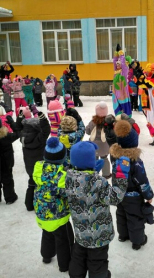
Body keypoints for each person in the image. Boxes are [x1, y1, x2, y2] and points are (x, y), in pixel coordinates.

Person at [66, 140, 130, 278]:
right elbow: (115, 198)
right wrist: (121, 176)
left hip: (80, 231)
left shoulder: (67, 178)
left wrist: (91, 170)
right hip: (99, 235)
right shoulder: (98, 182)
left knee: (78, 257)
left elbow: (81, 181)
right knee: (97, 262)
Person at [110, 120, 154, 250]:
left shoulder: (114, 157)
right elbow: (142, 180)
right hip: (133, 196)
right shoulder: (135, 162)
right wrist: (148, 195)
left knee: (121, 214)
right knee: (135, 218)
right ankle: (137, 241)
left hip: (118, 193)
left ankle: (123, 235)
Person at [33, 137, 74, 273]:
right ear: (63, 158)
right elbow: (65, 193)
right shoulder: (62, 175)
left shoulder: (38, 168)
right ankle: (64, 265)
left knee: (47, 233)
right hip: (58, 216)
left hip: (41, 213)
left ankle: (46, 256)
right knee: (63, 240)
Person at [15, 109, 50, 211]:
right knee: (42, 185)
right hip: (40, 166)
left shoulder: (23, 136)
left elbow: (17, 129)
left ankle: (29, 204)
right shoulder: (39, 138)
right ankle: (43, 204)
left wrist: (20, 118)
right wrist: (43, 119)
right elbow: (46, 131)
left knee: (31, 184)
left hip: (29, 166)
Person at [135, 62, 154, 145]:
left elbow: (147, 84)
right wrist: (138, 74)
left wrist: (142, 77)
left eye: (148, 71)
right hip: (150, 105)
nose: (147, 73)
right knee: (150, 119)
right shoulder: (151, 78)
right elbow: (142, 84)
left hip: (153, 105)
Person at [85, 101, 111, 179]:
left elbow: (88, 131)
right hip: (104, 146)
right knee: (104, 159)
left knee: (94, 159)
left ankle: (93, 172)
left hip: (93, 146)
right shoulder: (108, 122)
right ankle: (106, 174)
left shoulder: (93, 122)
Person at [0, 116, 19, 204]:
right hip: (6, 162)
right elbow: (18, 133)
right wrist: (12, 123)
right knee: (7, 179)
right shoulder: (6, 136)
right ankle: (10, 197)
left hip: (5, 162)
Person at [112, 44, 132, 116]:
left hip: (123, 94)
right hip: (116, 94)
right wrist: (116, 53)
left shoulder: (124, 71)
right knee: (117, 111)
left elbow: (123, 63)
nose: (117, 64)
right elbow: (114, 62)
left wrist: (121, 53)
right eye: (117, 63)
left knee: (124, 111)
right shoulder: (116, 71)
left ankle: (126, 119)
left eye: (118, 63)